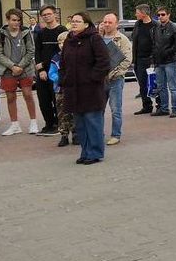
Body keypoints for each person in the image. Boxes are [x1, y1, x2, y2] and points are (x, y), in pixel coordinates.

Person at [59, 12, 110, 165]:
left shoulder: (94, 38)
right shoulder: (69, 40)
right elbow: (63, 63)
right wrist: (64, 79)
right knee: (80, 123)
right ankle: (85, 151)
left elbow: (103, 62)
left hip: (91, 89)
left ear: (86, 24)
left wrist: (92, 78)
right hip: (73, 89)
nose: (74, 24)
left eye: (78, 21)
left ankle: (95, 153)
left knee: (92, 121)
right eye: (72, 21)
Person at [0, 8, 40, 135]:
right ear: (7, 20)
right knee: (10, 97)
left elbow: (31, 51)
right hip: (8, 70)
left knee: (28, 94)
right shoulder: (0, 34)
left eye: (19, 20)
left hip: (25, 69)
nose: (16, 23)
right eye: (14, 20)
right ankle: (14, 125)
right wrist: (12, 66)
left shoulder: (26, 32)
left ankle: (33, 122)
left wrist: (20, 66)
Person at [33, 5, 66, 135]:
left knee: (56, 98)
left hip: (56, 70)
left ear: (55, 14)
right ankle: (49, 124)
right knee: (43, 99)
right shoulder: (40, 33)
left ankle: (59, 124)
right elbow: (37, 51)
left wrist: (45, 64)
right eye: (44, 15)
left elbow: (61, 51)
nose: (47, 16)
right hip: (42, 71)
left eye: (49, 14)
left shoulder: (62, 30)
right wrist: (40, 68)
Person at [100, 13, 132, 146]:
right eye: (105, 22)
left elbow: (127, 60)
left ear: (116, 24)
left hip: (115, 80)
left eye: (110, 22)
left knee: (115, 109)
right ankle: (98, 134)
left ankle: (115, 135)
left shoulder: (122, 39)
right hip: (99, 80)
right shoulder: (98, 38)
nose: (107, 24)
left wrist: (114, 73)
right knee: (98, 109)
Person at [151, 7, 176, 117]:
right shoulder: (156, 28)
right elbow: (154, 44)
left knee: (172, 86)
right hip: (159, 61)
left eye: (163, 14)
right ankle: (164, 108)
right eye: (159, 15)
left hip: (170, 61)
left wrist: (167, 52)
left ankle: (175, 109)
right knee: (160, 86)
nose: (160, 17)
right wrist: (154, 58)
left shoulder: (174, 28)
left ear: (168, 15)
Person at [48, 32, 75, 147]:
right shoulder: (56, 58)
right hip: (60, 89)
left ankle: (76, 133)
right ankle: (64, 134)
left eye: (64, 42)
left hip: (73, 88)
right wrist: (59, 79)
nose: (61, 44)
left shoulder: (75, 55)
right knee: (62, 113)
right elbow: (51, 73)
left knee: (74, 112)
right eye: (59, 42)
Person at [130, 4, 158, 115]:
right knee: (142, 84)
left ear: (144, 13)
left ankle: (160, 106)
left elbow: (157, 42)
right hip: (139, 59)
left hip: (151, 59)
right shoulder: (138, 24)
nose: (136, 14)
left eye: (137, 12)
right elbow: (134, 39)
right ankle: (146, 106)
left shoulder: (155, 25)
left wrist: (153, 58)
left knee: (154, 83)